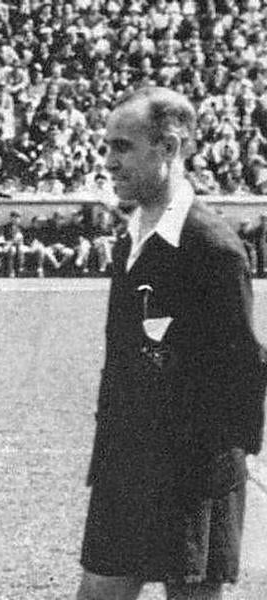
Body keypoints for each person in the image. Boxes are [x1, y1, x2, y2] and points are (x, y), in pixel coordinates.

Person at [75, 87, 265, 600]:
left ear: (170, 148)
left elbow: (245, 365)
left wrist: (229, 466)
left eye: (122, 147)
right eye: (107, 147)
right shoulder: (131, 236)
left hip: (193, 472)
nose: (108, 162)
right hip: (126, 463)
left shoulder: (212, 247)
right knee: (98, 590)